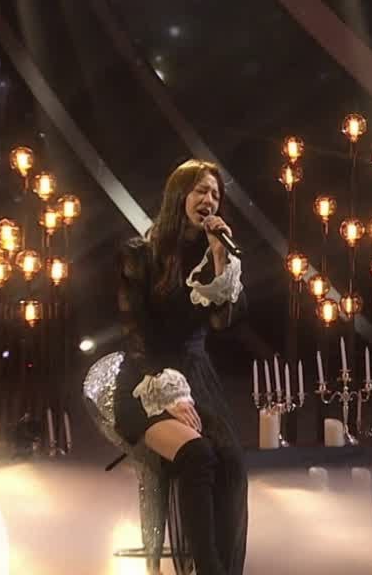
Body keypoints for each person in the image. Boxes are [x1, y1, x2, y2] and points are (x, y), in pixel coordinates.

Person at [110, 159, 247, 575]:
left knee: (231, 463)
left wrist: (221, 256)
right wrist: (167, 393)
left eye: (215, 194)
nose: (209, 200)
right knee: (197, 454)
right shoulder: (139, 254)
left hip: (198, 378)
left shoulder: (211, 258)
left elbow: (224, 322)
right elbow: (135, 334)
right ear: (179, 195)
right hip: (147, 381)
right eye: (201, 190)